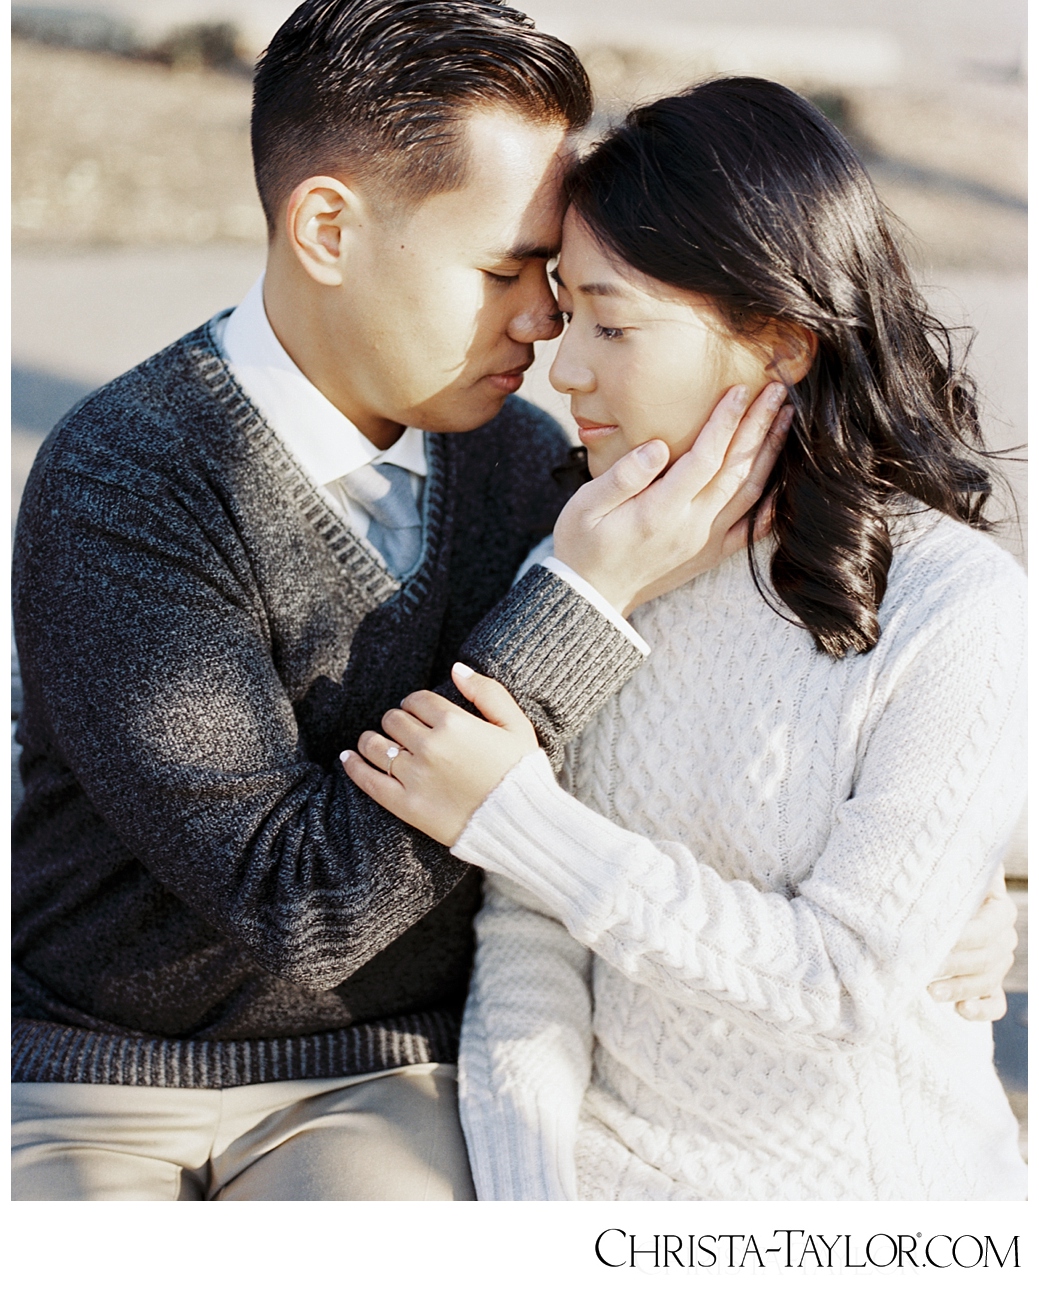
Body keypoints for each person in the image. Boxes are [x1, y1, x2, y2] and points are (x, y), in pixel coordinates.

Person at [11, 0, 792, 1202]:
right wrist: (576, 606)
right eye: (501, 271)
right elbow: (299, 901)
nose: (543, 321)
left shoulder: (519, 459)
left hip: (385, 1079)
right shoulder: (126, 479)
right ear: (328, 228)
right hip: (90, 1079)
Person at [347, 77, 1027, 1200]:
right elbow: (530, 949)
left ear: (782, 341)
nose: (566, 370)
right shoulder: (587, 566)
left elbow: (844, 981)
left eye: (614, 325)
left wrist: (520, 816)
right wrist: (532, 1209)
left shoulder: (952, 606)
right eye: (569, 316)